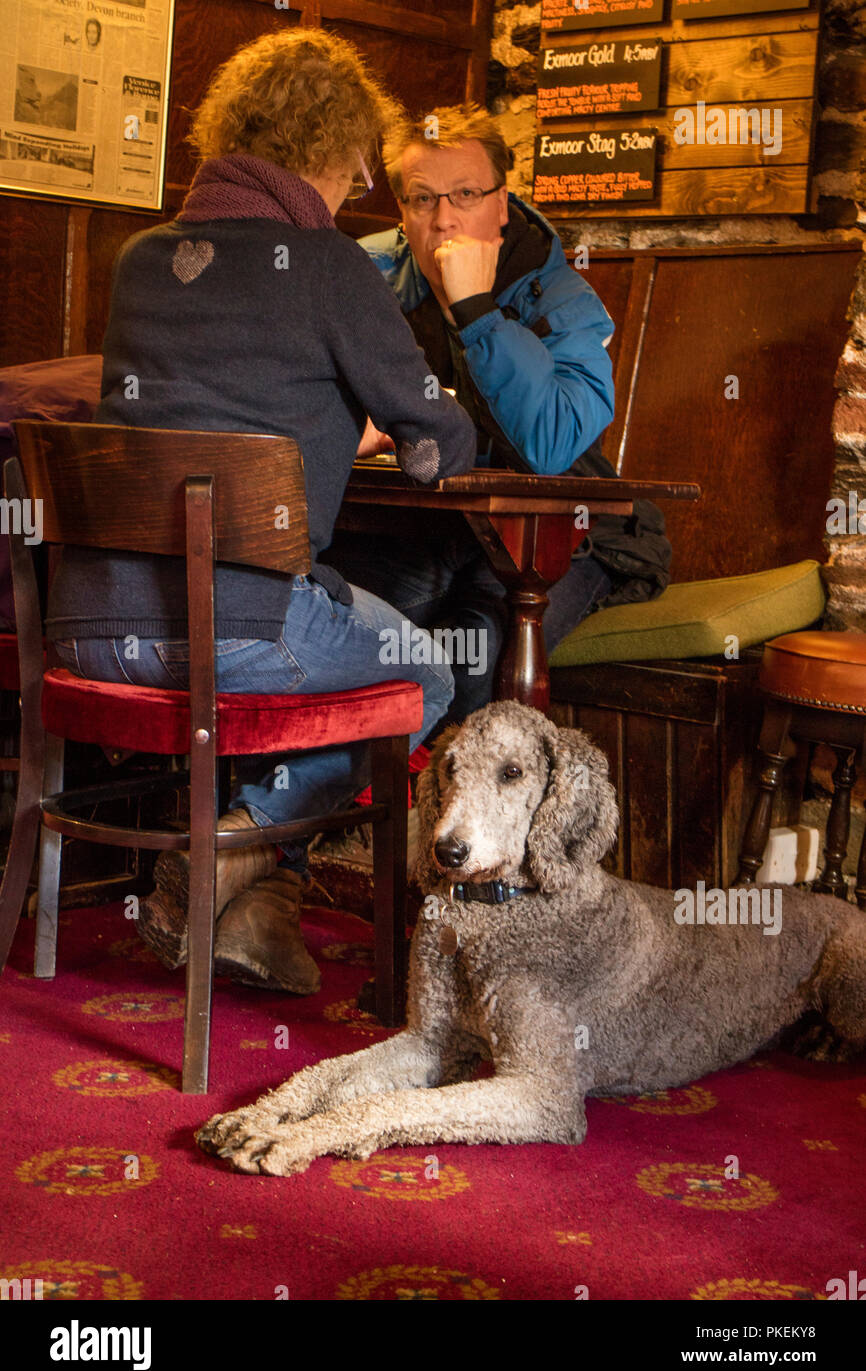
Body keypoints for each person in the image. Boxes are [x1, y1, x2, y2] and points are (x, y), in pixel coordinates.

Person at [47, 32, 476, 991]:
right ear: (326, 149)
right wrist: (397, 432)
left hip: (87, 628)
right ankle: (233, 848)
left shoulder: (139, 258)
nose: (363, 179)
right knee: (431, 676)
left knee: (309, 651)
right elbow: (445, 440)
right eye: (362, 160)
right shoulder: (330, 267)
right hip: (230, 631)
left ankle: (259, 913)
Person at [322, 104, 671, 732]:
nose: (445, 217)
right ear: (401, 211)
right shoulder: (361, 273)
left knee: (477, 649)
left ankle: (451, 825)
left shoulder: (560, 297)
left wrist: (477, 312)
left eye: (465, 194)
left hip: (559, 534)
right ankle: (347, 817)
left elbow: (549, 445)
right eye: (422, 198)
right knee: (352, 629)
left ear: (501, 204)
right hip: (416, 524)